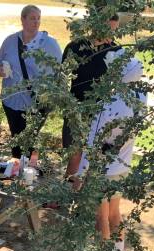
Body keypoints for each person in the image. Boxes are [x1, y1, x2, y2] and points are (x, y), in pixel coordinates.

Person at [76, 49, 145, 251]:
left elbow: (93, 141)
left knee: (100, 216)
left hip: (103, 168)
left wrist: (81, 173)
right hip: (122, 164)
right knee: (115, 213)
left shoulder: (108, 102)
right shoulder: (140, 100)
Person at [0, 5, 62, 159]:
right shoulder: (10, 41)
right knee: (16, 137)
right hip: (11, 100)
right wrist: (1, 70)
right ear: (22, 19)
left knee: (29, 141)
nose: (36, 22)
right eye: (32, 18)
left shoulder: (50, 44)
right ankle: (17, 172)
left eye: (38, 18)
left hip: (36, 103)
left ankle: (23, 175)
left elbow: (59, 72)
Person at [62, 13, 122, 182]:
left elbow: (120, 87)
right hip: (74, 111)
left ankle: (83, 202)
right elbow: (60, 78)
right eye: (106, 29)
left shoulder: (116, 52)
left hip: (100, 115)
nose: (110, 35)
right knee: (73, 155)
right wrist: (66, 102)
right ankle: (66, 195)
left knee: (92, 160)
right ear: (95, 24)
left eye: (113, 31)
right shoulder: (75, 47)